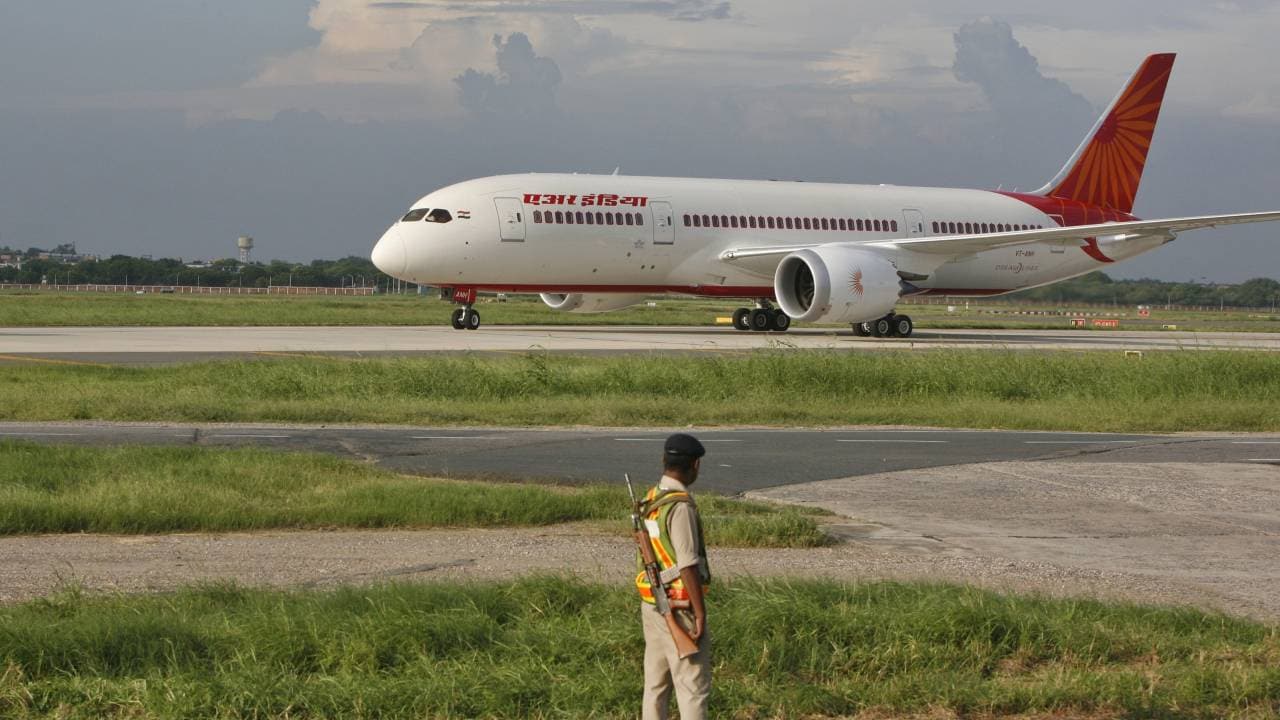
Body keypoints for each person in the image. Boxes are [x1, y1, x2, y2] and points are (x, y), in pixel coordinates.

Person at [637, 433, 712, 720]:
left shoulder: (650, 500)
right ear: (695, 465)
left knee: (656, 686)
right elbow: (687, 564)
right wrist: (700, 612)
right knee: (692, 687)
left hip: (653, 605)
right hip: (681, 608)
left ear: (663, 461)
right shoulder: (680, 506)